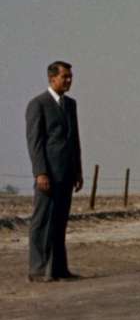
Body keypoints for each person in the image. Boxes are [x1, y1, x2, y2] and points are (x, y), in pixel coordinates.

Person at [26, 61, 84, 282]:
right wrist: (40, 172)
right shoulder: (38, 104)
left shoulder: (70, 105)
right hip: (48, 174)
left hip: (67, 173)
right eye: (64, 77)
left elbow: (74, 140)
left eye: (70, 77)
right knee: (42, 221)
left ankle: (59, 269)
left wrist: (77, 171)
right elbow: (35, 142)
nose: (69, 80)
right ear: (52, 78)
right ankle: (38, 270)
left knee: (60, 222)